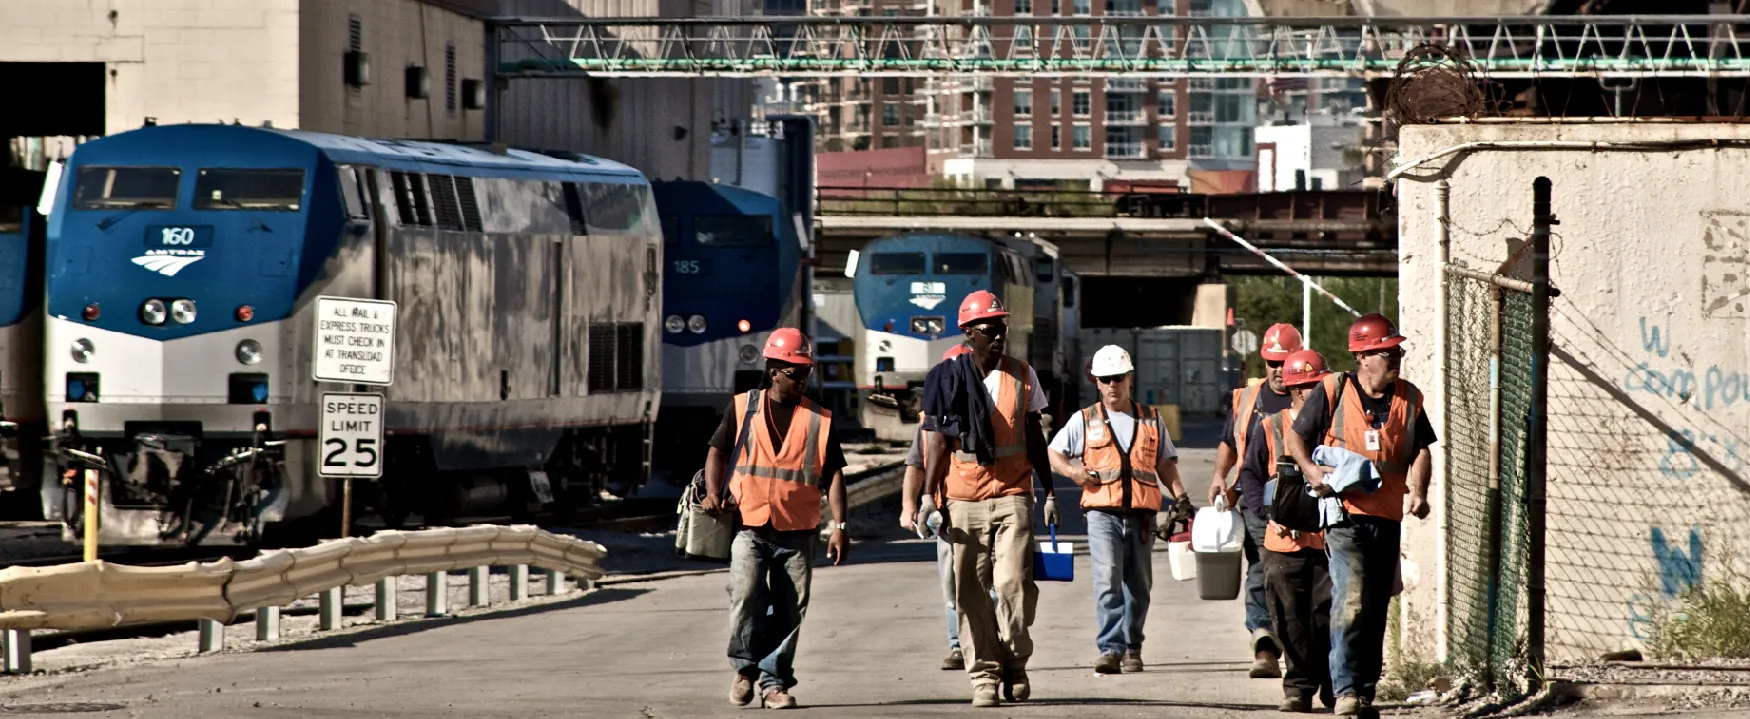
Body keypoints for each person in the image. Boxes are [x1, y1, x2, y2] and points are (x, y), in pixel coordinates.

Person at [905, 289, 1058, 708]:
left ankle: (1015, 658)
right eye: (990, 329)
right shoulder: (946, 376)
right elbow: (935, 441)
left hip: (1013, 494)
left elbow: (1034, 436)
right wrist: (928, 498)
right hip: (964, 496)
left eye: (1002, 329)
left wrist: (1048, 492)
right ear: (969, 332)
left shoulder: (1023, 374)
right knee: (970, 591)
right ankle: (985, 677)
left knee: (1013, 584)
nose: (998, 337)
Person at [1282, 313, 1437, 718]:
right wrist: (1312, 472)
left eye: (1398, 350)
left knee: (1374, 606)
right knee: (1350, 601)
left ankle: (1364, 691)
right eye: (1389, 351)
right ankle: (1345, 689)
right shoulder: (1333, 390)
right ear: (1364, 356)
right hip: (1344, 514)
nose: (1397, 356)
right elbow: (1295, 435)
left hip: (1386, 517)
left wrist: (1418, 493)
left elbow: (1421, 449)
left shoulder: (1410, 397)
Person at [700, 328, 851, 710]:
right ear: (773, 372)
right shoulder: (742, 408)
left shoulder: (819, 418)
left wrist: (840, 527)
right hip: (749, 525)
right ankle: (745, 668)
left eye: (805, 371)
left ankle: (774, 683)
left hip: (798, 530)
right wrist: (714, 492)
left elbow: (833, 474)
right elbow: (716, 451)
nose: (802, 378)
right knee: (745, 595)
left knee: (790, 610)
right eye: (794, 371)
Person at [1045, 344, 1193, 674]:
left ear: (1130, 378)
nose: (1113, 385)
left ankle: (1133, 646)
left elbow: (1165, 463)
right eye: (1105, 379)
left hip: (1142, 517)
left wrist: (1181, 497)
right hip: (1102, 515)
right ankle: (1110, 648)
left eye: (1118, 378)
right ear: (1096, 382)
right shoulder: (1083, 420)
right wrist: (1072, 472)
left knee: (1139, 587)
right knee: (1107, 579)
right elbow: (1053, 453)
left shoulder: (1152, 419)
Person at [1240, 349, 1335, 713]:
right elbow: (1249, 474)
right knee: (1289, 616)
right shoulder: (1270, 427)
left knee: (1326, 614)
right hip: (1282, 541)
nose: (1312, 393)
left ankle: (1330, 683)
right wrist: (1266, 512)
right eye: (1306, 387)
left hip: (1327, 538)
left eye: (1317, 385)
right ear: (1294, 391)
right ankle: (1298, 687)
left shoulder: (1335, 427)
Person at [1208, 322, 1304, 679]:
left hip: (1302, 502)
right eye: (1272, 362)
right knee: (1262, 567)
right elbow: (1229, 443)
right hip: (1255, 500)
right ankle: (1264, 643)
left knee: (1298, 575)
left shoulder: (1311, 393)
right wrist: (1219, 476)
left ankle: (1296, 644)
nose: (1279, 370)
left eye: (1285, 361)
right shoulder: (1246, 399)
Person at [900, 344, 977, 672]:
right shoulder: (927, 422)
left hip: (977, 508)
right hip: (944, 516)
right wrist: (909, 505)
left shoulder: (983, 416)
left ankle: (987, 641)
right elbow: (916, 464)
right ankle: (958, 646)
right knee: (952, 586)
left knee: (984, 583)